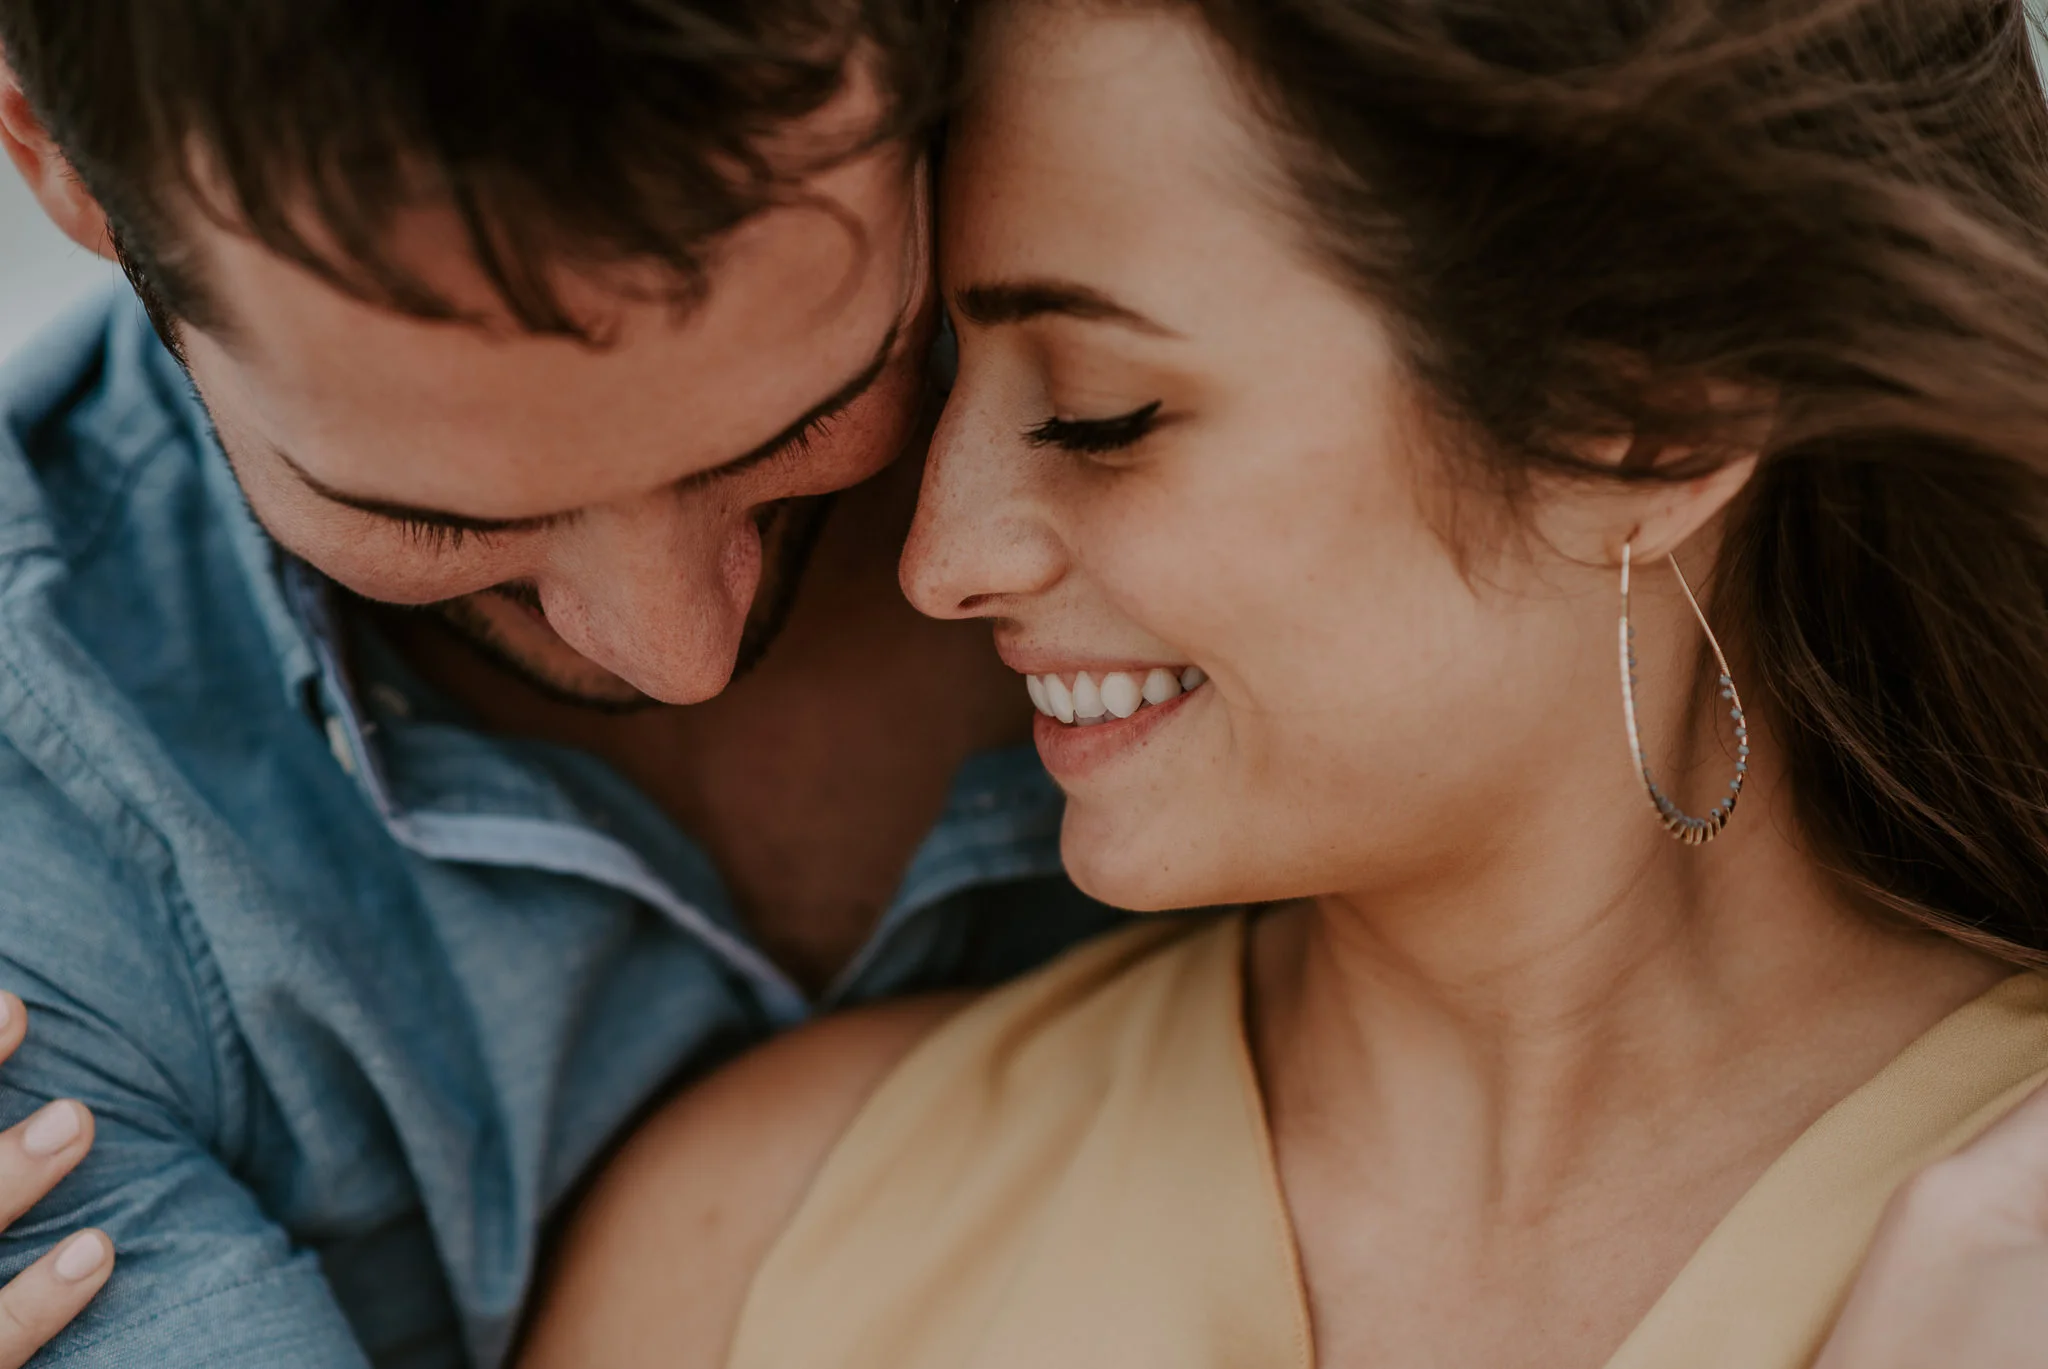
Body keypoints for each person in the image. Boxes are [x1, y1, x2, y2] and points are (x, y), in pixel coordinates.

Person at [514, 1, 2048, 1366]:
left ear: (1645, 412)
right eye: (939, 385)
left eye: (1103, 416)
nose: (940, 558)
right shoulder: (756, 1236)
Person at [0, 2, 1124, 1364]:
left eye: (814, 413)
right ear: (55, 158)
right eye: (441, 523)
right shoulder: (37, 816)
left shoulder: (1314, 283)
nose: (676, 653)